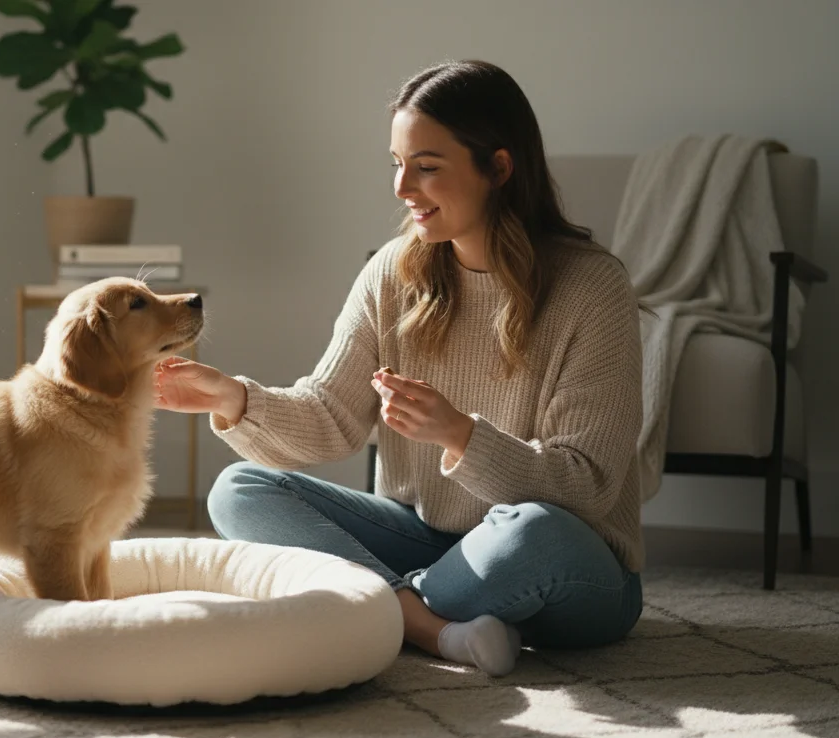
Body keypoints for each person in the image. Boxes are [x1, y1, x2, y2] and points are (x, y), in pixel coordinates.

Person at [154, 60, 644, 677]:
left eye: (427, 167)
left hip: (566, 561)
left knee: (534, 534)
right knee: (241, 489)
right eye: (397, 163)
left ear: (498, 167)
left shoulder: (592, 285)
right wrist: (234, 400)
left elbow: (589, 485)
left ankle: (384, 610)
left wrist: (460, 437)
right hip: (432, 539)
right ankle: (438, 629)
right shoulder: (393, 272)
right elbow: (330, 419)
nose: (402, 187)